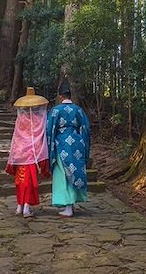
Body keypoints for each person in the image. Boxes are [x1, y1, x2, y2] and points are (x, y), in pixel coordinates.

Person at [5, 87, 50, 218]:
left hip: (20, 155)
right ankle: (25, 207)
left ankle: (20, 206)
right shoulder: (39, 120)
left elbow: (17, 138)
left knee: (20, 181)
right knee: (29, 182)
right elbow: (40, 137)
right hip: (34, 155)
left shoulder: (21, 120)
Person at [46, 85, 91, 218]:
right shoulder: (79, 110)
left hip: (61, 143)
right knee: (74, 170)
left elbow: (49, 130)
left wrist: (50, 145)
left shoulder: (55, 110)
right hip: (77, 143)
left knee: (63, 173)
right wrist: (84, 144)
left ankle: (68, 206)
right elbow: (86, 128)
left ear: (60, 96)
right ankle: (71, 203)